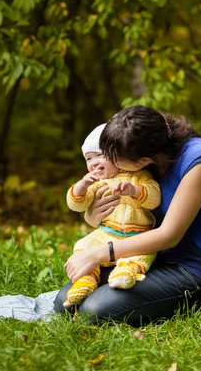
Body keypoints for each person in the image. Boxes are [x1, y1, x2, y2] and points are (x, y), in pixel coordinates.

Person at [54, 105, 201, 326]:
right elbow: (118, 210)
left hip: (192, 267)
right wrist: (91, 215)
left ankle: (192, 299)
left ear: (143, 161)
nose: (108, 162)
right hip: (149, 255)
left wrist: (99, 254)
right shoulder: (136, 144)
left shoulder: (199, 161)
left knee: (94, 311)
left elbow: (170, 235)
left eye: (114, 158)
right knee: (64, 302)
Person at [63, 124, 161, 308]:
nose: (93, 162)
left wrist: (134, 190)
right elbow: (76, 204)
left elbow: (154, 198)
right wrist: (82, 186)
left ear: (117, 156)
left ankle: (126, 271)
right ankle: (87, 279)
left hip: (137, 236)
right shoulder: (98, 183)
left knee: (144, 254)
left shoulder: (139, 176)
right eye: (88, 158)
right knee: (83, 245)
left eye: (100, 155)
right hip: (106, 233)